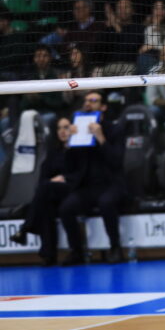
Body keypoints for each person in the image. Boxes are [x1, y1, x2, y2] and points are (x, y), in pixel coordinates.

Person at [58, 91, 127, 265]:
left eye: (93, 100)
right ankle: (77, 251)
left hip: (111, 184)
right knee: (66, 208)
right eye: (86, 101)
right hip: (88, 186)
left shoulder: (115, 129)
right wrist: (69, 143)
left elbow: (116, 161)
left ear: (103, 107)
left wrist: (101, 138)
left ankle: (115, 248)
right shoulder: (79, 130)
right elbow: (69, 166)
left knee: (106, 202)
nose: (88, 104)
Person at [9, 117, 73, 266]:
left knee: (44, 191)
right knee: (45, 205)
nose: (62, 131)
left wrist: (64, 178)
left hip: (73, 188)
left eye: (66, 127)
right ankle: (49, 255)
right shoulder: (54, 152)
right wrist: (52, 181)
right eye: (59, 128)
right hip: (53, 192)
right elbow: (43, 176)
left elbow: (82, 172)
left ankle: (25, 229)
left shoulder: (79, 149)